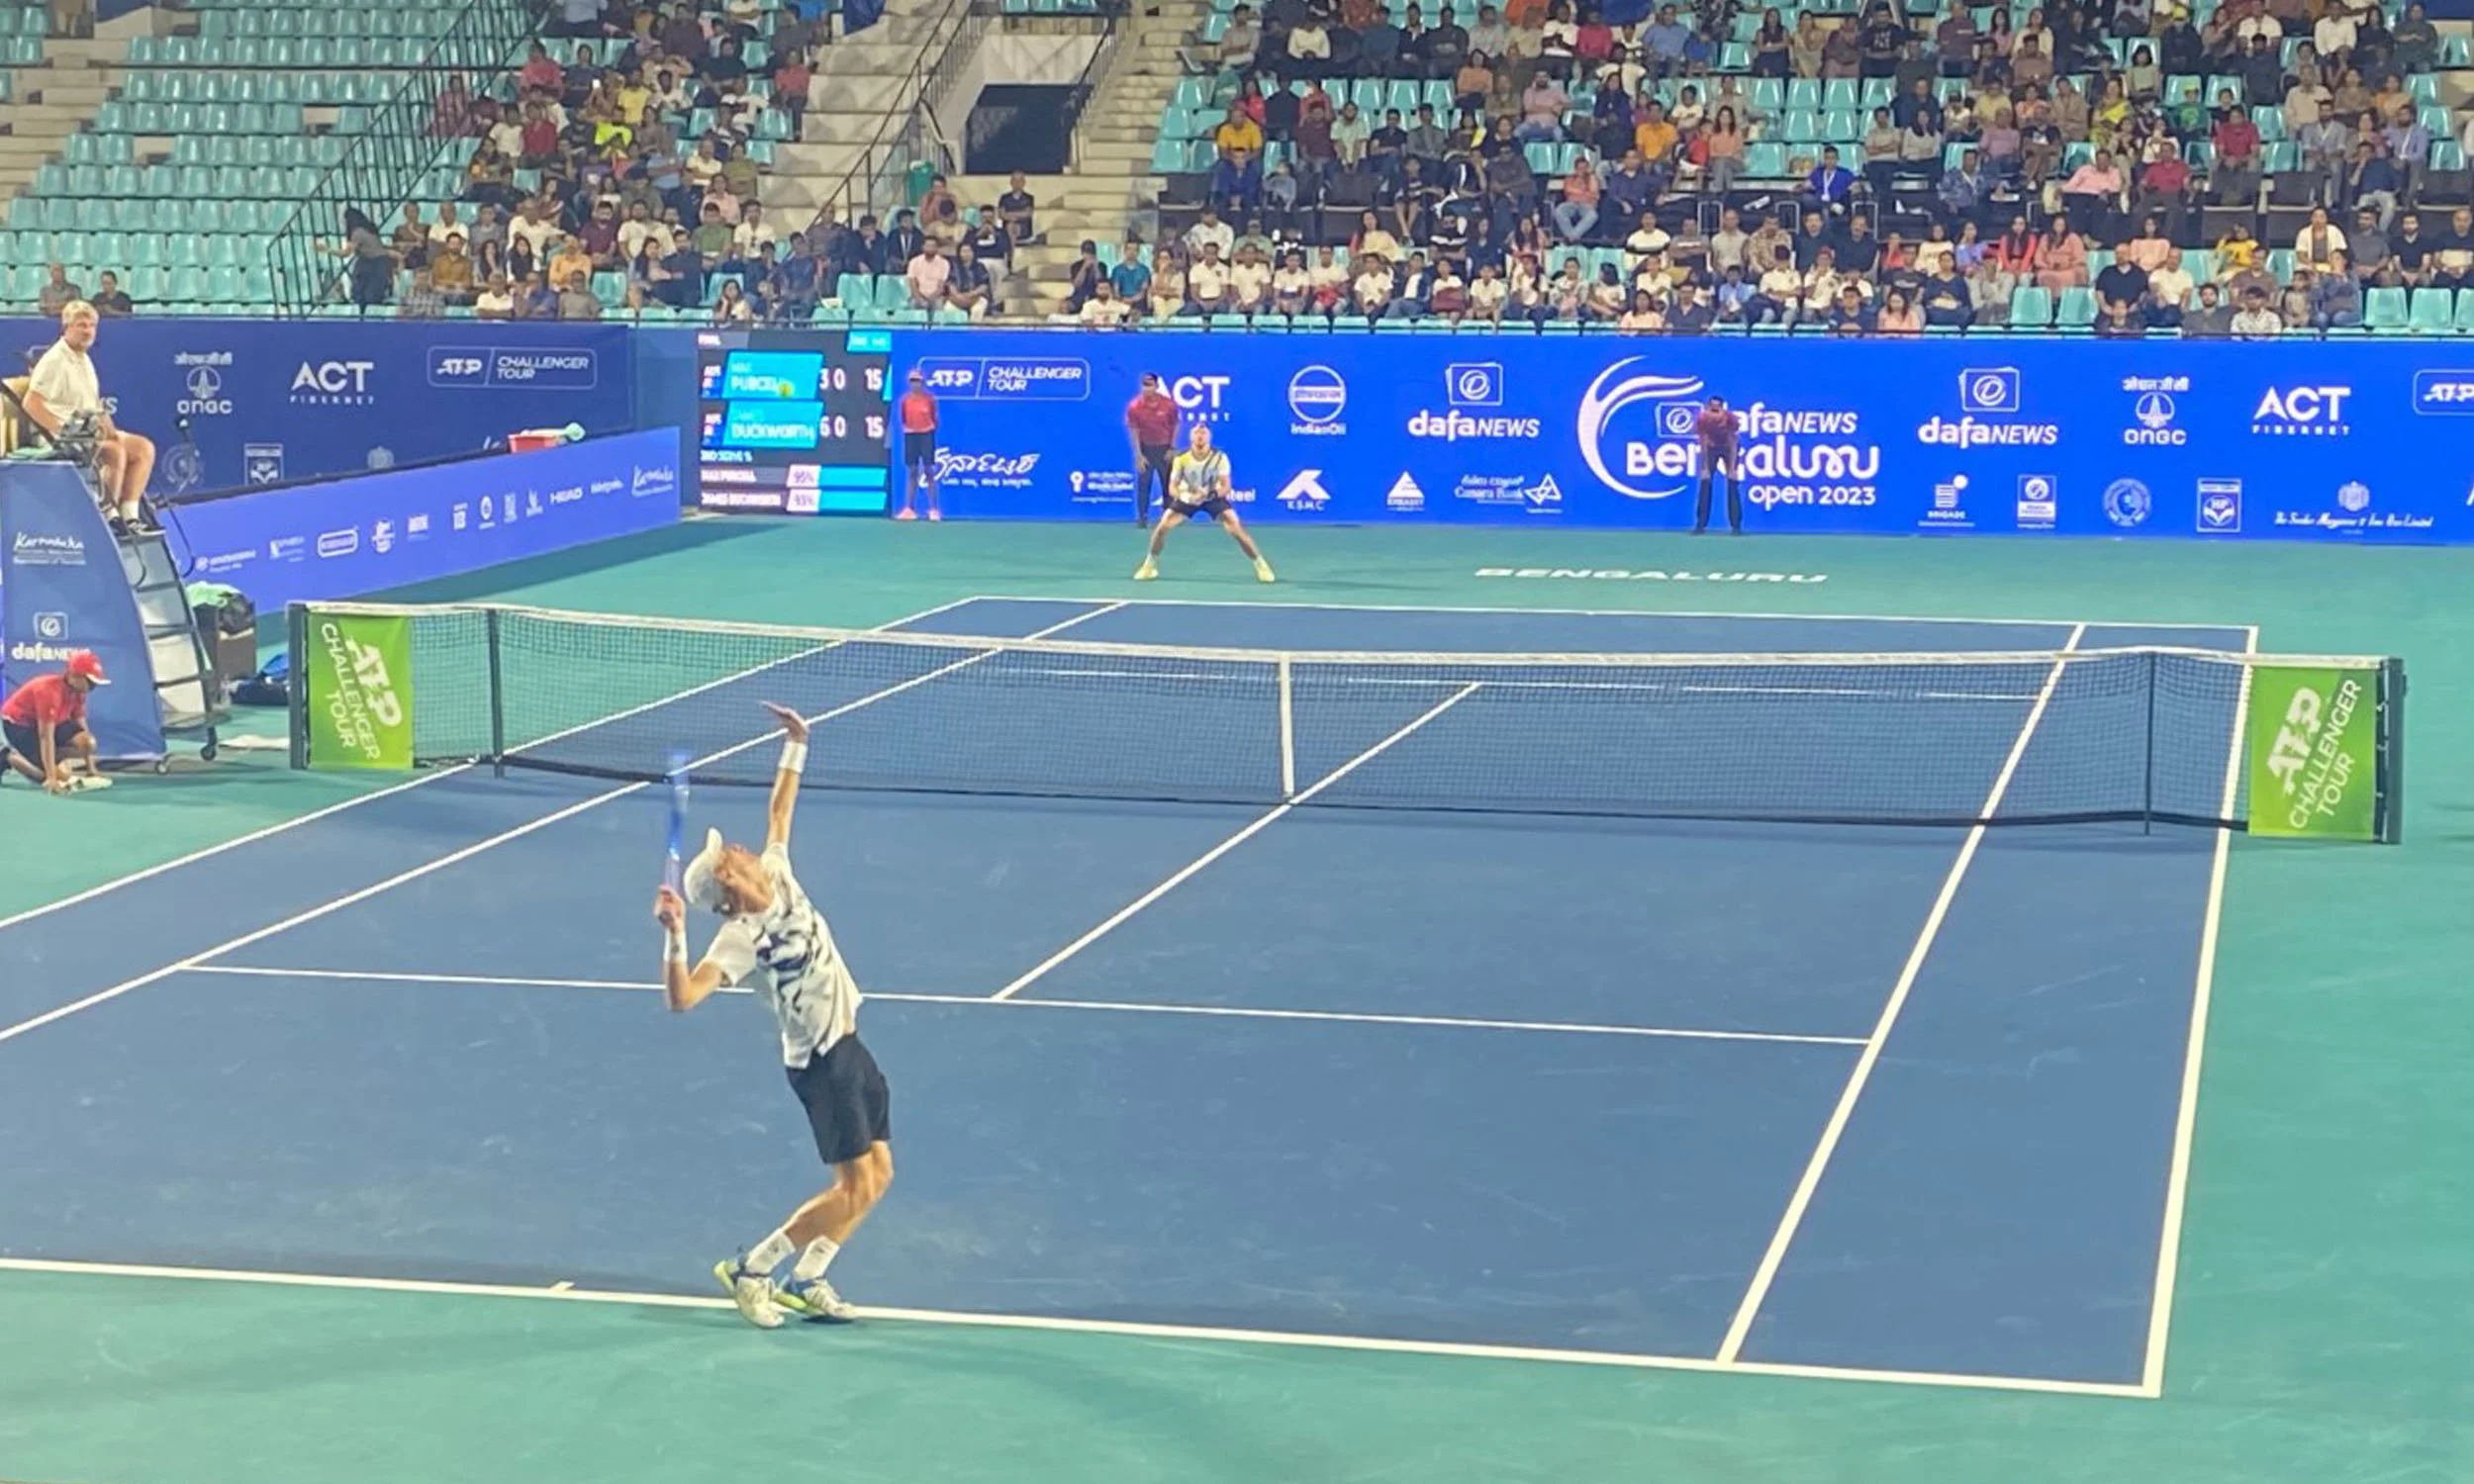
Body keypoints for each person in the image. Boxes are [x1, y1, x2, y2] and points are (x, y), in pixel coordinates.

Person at [657, 703, 892, 1331]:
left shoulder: (778, 871)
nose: (734, 846)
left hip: (850, 1041)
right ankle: (753, 1268)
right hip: (821, 1065)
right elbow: (683, 998)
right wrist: (676, 935)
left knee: (880, 1175)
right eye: (725, 856)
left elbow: (780, 809)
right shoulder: (738, 940)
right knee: (849, 1188)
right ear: (729, 885)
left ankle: (810, 1274)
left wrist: (797, 742)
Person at [24, 300, 154, 530]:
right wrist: (61, 433)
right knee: (114, 452)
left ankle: (130, 516)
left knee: (143, 448)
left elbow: (93, 403)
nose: (88, 331)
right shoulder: (54, 360)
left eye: (92, 325)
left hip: (88, 432)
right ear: (66, 328)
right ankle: (107, 517)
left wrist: (110, 429)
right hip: (62, 437)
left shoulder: (84, 358)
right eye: (81, 325)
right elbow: (31, 403)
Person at [1132, 421, 1274, 583]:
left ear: (1209, 437)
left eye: (1204, 433)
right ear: (1191, 437)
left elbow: (1226, 486)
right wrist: (1184, 496)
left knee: (1236, 529)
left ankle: (1260, 565)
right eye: (1197, 433)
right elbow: (1172, 487)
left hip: (1212, 497)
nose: (1200, 436)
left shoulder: (1219, 458)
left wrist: (1211, 494)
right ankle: (1149, 566)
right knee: (1162, 528)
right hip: (1188, 498)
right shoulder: (1181, 458)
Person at [0, 650, 106, 793]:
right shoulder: (48, 692)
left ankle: (46, 763)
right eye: (91, 682)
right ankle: (8, 756)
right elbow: (46, 737)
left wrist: (91, 768)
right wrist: (51, 778)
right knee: (54, 777)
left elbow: (81, 727)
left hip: (51, 723)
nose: (93, 687)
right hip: (18, 725)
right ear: (74, 675)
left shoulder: (80, 692)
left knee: (88, 743)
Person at [1123, 371, 1180, 527]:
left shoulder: (1168, 405)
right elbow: (1134, 430)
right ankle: (1142, 518)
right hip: (1146, 449)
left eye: (1150, 385)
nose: (1146, 389)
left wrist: (1172, 448)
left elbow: (1175, 425)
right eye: (1144, 385)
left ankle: (1168, 518)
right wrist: (1138, 454)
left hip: (1164, 449)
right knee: (1144, 485)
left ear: (1156, 386)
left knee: (1167, 485)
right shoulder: (1135, 406)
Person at [894, 368, 939, 520]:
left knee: (929, 471)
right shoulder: (905, 400)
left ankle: (933, 509)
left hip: (926, 435)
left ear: (922, 382)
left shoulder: (929, 399)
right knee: (912, 471)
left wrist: (927, 430)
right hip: (911, 435)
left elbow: (934, 418)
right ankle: (909, 509)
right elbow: (903, 418)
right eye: (912, 381)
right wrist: (911, 430)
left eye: (917, 381)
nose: (915, 384)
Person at [1692, 395, 1742, 534]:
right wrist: (1705, 468)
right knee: (1705, 482)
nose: (1714, 413)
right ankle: (1700, 525)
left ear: (1722, 409)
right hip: (1711, 449)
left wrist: (1732, 468)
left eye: (1717, 409)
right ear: (1707, 409)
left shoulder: (1730, 419)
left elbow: (1733, 442)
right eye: (1711, 409)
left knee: (1732, 483)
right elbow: (1703, 442)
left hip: (1727, 448)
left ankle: (1736, 526)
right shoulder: (1703, 419)